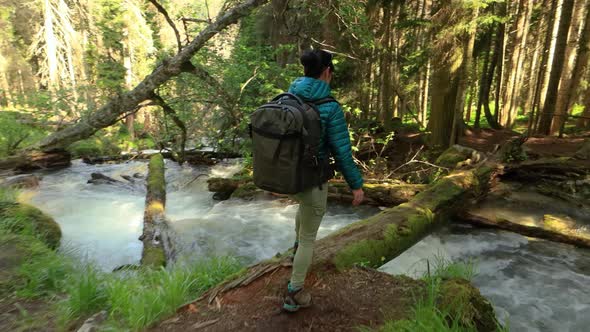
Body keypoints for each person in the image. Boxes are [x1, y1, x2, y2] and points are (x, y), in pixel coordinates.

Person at [283, 49, 364, 312]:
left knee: (303, 211)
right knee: (309, 237)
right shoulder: (329, 107)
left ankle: (294, 256)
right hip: (313, 178)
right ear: (327, 72)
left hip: (286, 175)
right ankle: (294, 293)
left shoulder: (289, 95)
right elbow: (341, 152)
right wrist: (356, 185)